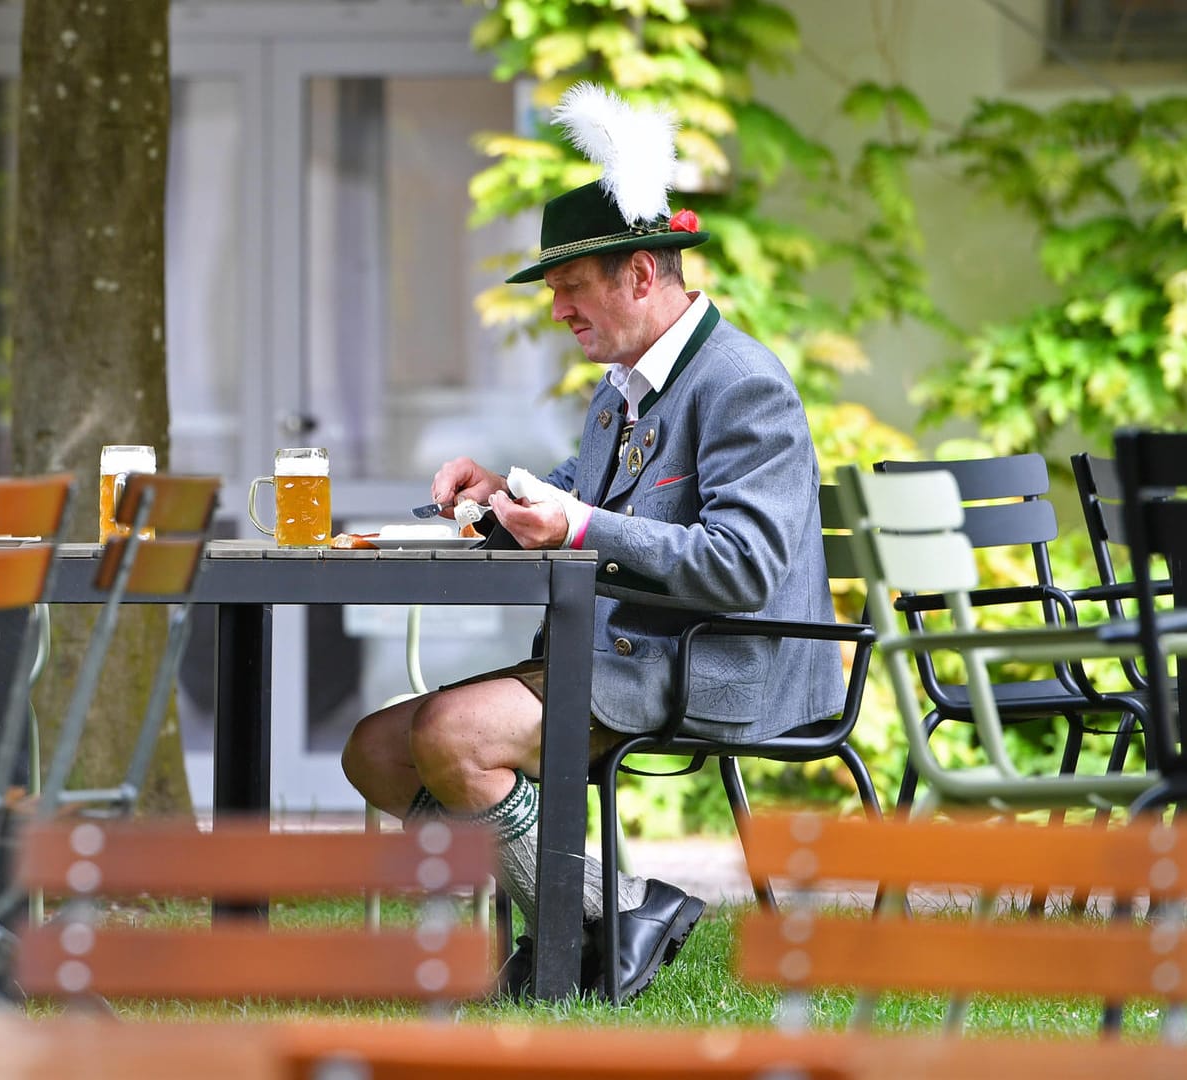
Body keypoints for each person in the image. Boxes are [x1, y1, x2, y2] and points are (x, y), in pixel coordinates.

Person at [340, 84, 843, 1003]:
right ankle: (619, 910)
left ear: (642, 274)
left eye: (573, 287)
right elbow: (582, 498)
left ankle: (570, 940)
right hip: (617, 648)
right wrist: (503, 493)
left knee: (454, 737)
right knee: (374, 749)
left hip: (721, 659)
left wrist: (576, 526)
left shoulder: (743, 384)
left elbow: (743, 566)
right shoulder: (620, 385)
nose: (559, 309)